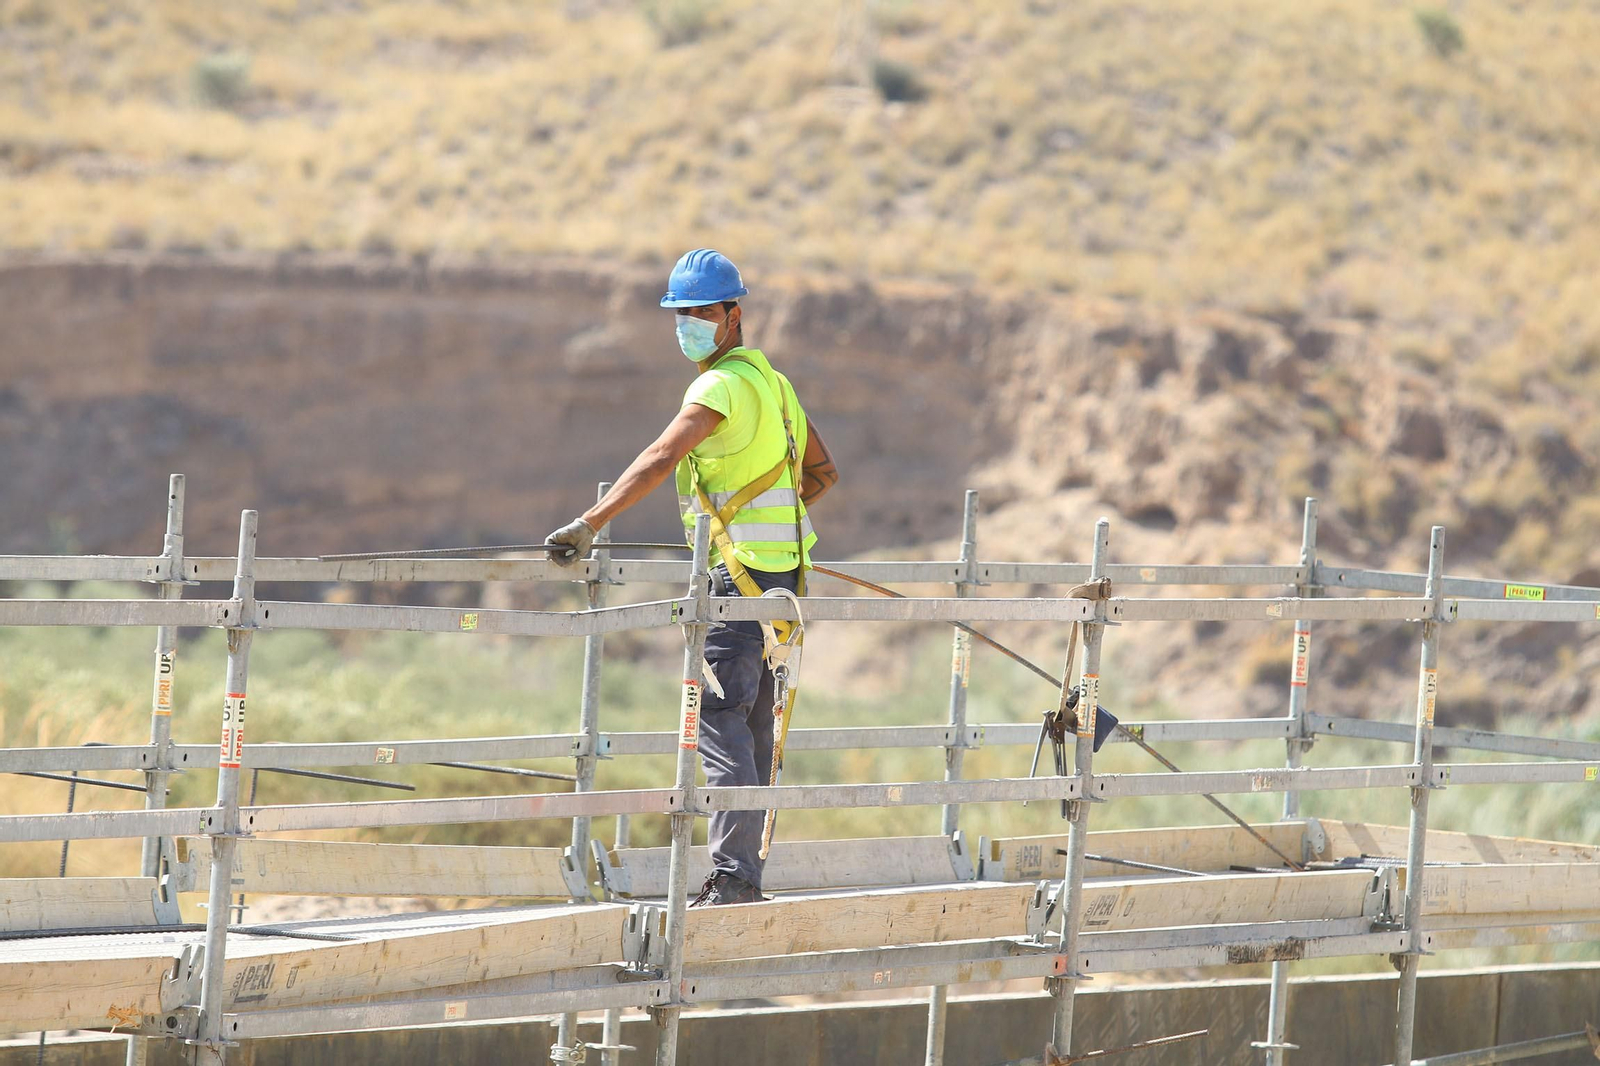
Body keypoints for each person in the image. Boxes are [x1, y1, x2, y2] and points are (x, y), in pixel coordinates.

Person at [545, 249, 839, 906]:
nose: (689, 326)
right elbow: (821, 474)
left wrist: (588, 525)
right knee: (755, 725)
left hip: (738, 588)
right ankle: (746, 877)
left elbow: (660, 456)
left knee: (719, 718)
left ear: (734, 316)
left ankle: (734, 877)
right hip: (786, 585)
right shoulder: (776, 386)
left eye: (702, 313)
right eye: (680, 315)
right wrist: (765, 518)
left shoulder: (719, 386)